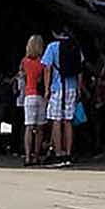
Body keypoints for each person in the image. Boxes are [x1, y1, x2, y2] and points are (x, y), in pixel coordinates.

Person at [44, 27, 82, 167]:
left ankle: (58, 153)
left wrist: (47, 88)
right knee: (68, 121)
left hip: (57, 87)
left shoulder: (52, 47)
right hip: (71, 87)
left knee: (56, 121)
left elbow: (47, 68)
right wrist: (79, 88)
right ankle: (68, 152)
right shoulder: (75, 46)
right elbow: (80, 70)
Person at [19, 36, 47, 166]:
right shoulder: (42, 62)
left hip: (29, 95)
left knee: (29, 127)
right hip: (40, 95)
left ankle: (27, 156)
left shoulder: (24, 61)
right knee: (40, 128)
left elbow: (22, 77)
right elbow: (43, 79)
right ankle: (36, 155)